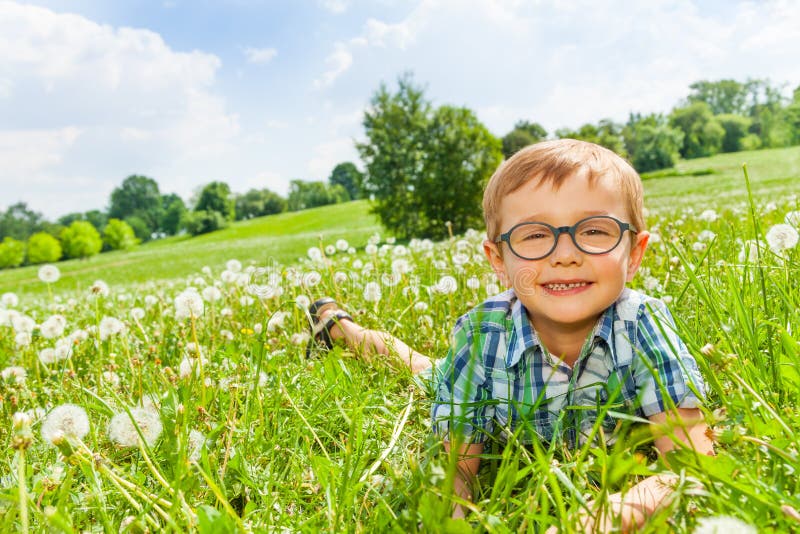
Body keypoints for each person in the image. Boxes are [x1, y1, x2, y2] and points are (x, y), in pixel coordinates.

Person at [307, 139, 714, 532]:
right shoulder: (482, 336)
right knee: (418, 366)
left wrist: (623, 508)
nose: (565, 253)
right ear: (498, 261)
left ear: (635, 253)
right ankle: (339, 327)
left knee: (420, 364)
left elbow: (695, 463)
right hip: (472, 374)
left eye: (594, 231)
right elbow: (454, 474)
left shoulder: (645, 324)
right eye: (535, 235)